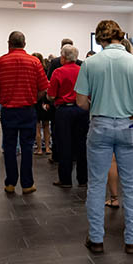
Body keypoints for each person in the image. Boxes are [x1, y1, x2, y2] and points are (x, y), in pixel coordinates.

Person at [75, 20, 133, 254]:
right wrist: (130, 108)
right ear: (120, 36)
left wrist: (100, 107)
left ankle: (96, 239)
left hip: (99, 124)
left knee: (97, 184)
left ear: (100, 39)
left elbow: (80, 101)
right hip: (129, 125)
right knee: (131, 186)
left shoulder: (90, 63)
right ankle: (131, 240)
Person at [0, 31, 49, 194]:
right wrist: (32, 96)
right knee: (27, 147)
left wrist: (6, 94)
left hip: (8, 110)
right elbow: (44, 88)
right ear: (24, 44)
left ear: (9, 43)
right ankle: (27, 184)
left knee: (9, 147)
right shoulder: (35, 62)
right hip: (28, 110)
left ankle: (10, 183)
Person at [48, 44, 87, 188]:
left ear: (63, 58)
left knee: (65, 145)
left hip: (64, 111)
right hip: (82, 110)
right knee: (82, 144)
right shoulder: (83, 71)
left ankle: (65, 179)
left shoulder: (58, 72)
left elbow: (51, 95)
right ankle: (83, 179)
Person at [31, 52, 52, 154]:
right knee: (46, 125)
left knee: (37, 126)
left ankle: (39, 149)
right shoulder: (45, 71)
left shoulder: (31, 72)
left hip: (35, 99)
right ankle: (47, 148)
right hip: (45, 100)